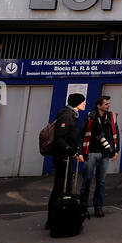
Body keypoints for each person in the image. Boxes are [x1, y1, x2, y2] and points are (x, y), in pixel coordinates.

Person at [45, 92, 85, 230]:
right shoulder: (67, 115)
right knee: (59, 188)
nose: (84, 103)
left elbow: (72, 136)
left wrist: (77, 151)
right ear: (77, 102)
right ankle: (52, 219)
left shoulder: (72, 115)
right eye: (82, 101)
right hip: (63, 157)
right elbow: (60, 138)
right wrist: (72, 151)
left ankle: (62, 217)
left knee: (65, 187)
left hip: (67, 156)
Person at [79, 94, 120, 218]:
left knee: (101, 181)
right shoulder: (91, 117)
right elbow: (82, 134)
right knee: (87, 180)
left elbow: (116, 133)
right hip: (91, 151)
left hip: (105, 153)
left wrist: (116, 150)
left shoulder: (111, 117)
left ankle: (98, 207)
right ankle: (83, 207)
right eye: (106, 104)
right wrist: (80, 151)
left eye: (109, 103)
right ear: (99, 105)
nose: (109, 105)